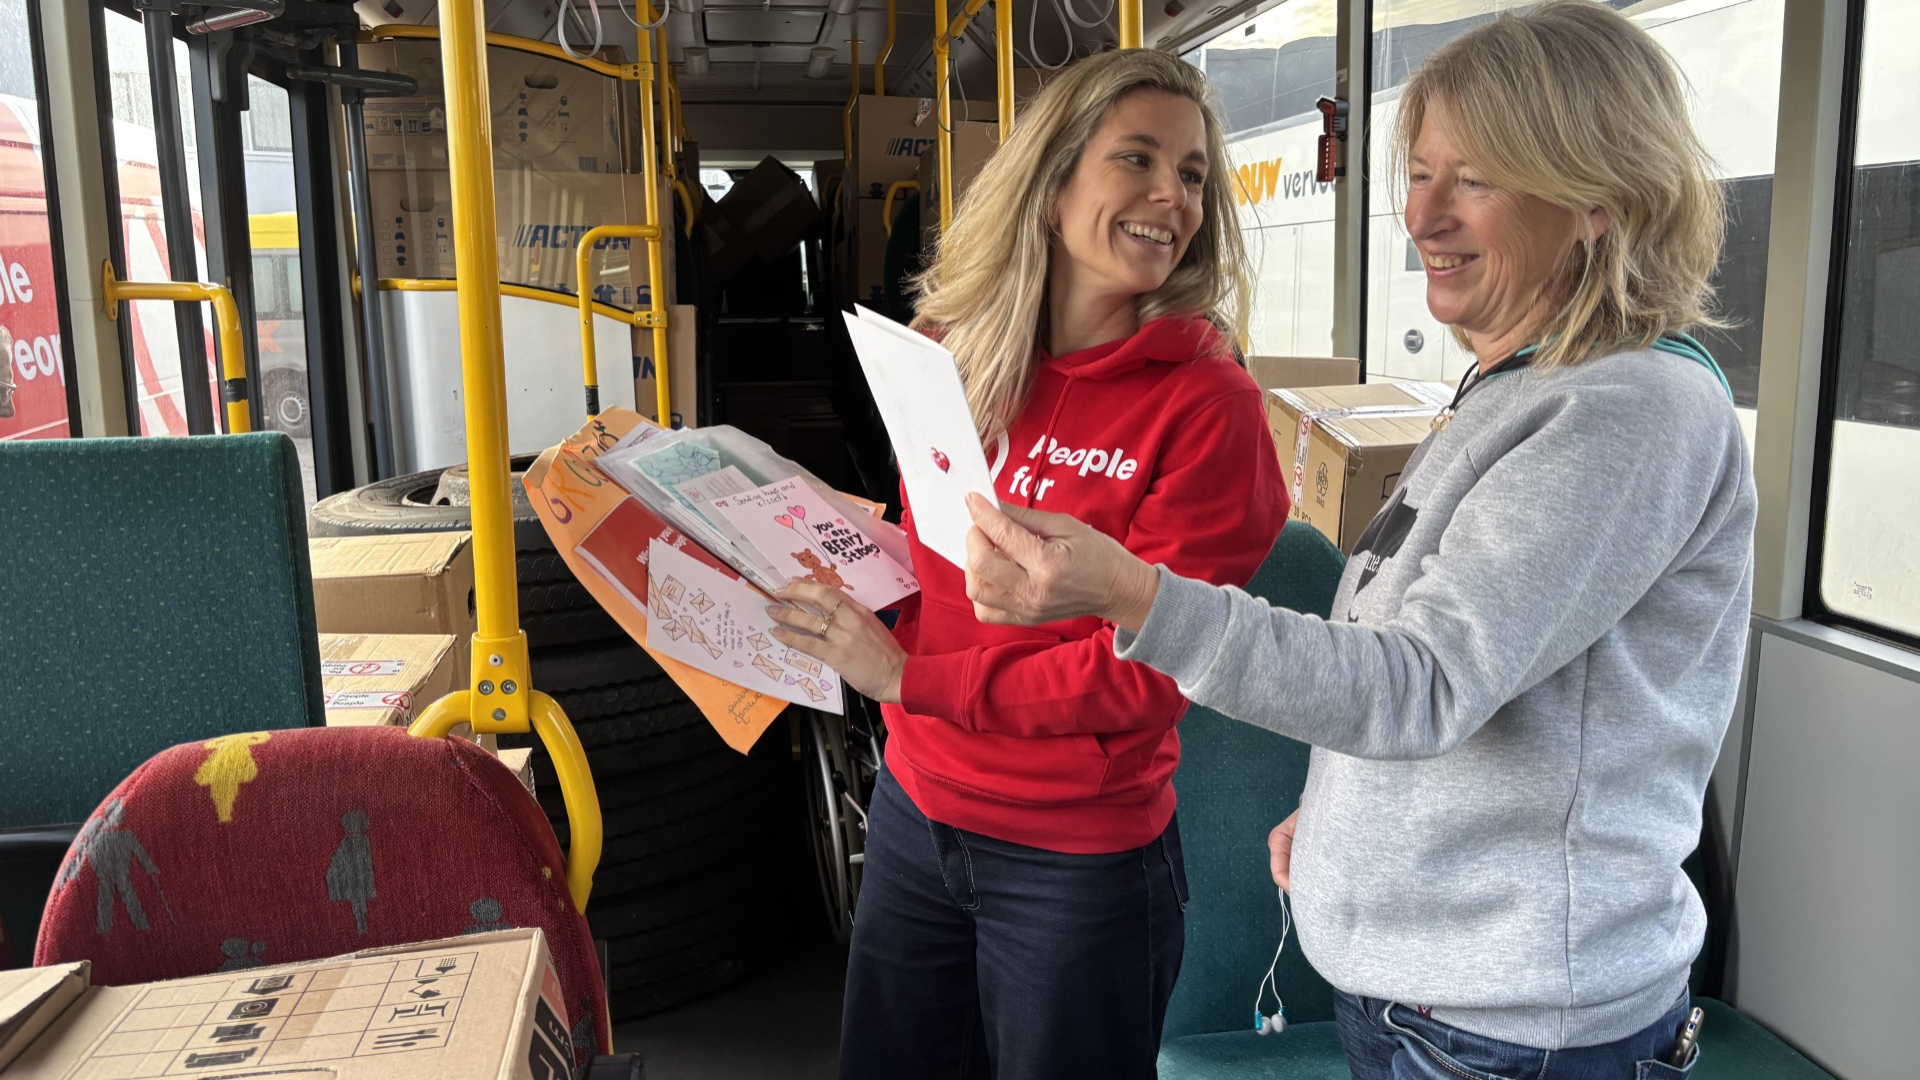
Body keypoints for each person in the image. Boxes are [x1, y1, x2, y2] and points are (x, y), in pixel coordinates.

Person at [960, 5, 1755, 1078]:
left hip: (1504, 1026)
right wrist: (1342, 822)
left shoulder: (1624, 412)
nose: (1423, 215)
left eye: (1473, 178)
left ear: (1597, 200)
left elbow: (1420, 684)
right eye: (1419, 174)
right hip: (1435, 993)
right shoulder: (1518, 390)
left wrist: (1137, 598)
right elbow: (1452, 673)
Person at [767, 49, 1289, 1080]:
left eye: (1190, 175)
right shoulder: (950, 350)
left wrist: (905, 679)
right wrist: (814, 544)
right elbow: (933, 570)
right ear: (1051, 185)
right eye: (1135, 159)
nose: (1169, 198)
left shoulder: (1208, 407)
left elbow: (1144, 676)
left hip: (1077, 857)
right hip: (918, 811)